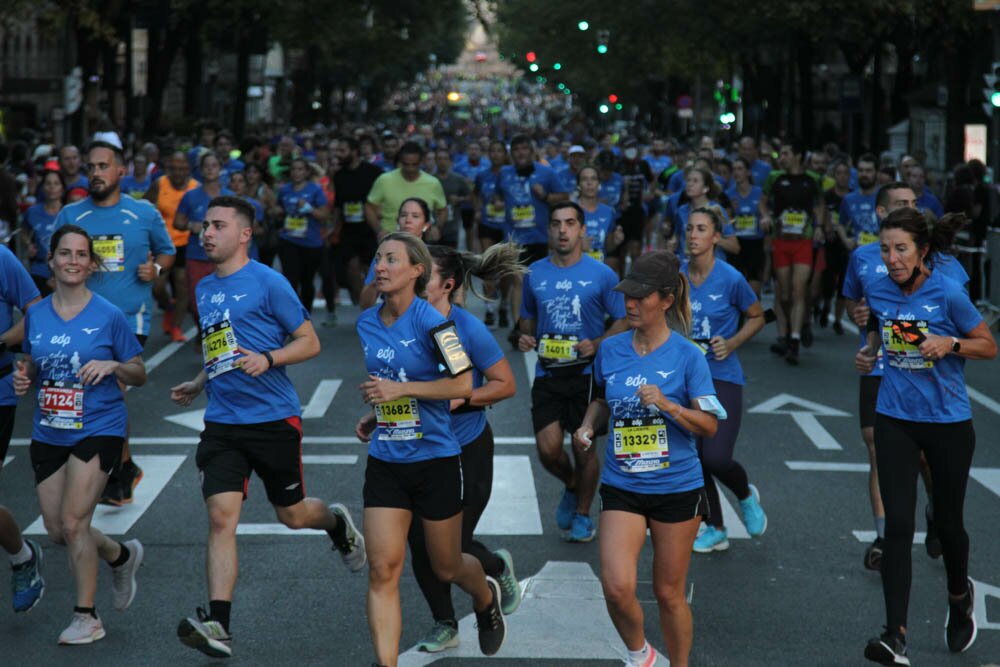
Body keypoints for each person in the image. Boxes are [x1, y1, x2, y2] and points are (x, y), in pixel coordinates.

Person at [170, 196, 365, 658]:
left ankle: (336, 523)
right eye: (205, 226)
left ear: (244, 234)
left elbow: (309, 341)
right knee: (221, 519)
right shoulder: (204, 288)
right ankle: (219, 623)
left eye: (218, 225)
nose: (207, 233)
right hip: (222, 423)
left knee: (293, 515)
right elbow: (219, 347)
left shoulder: (268, 282)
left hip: (273, 420)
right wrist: (199, 381)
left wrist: (270, 358)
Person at [354, 231, 506, 667]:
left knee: (447, 566)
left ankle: (483, 597)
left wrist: (401, 389)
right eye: (378, 258)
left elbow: (461, 384)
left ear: (417, 271)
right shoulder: (367, 322)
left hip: (437, 460)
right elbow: (389, 380)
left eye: (391, 260)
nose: (379, 267)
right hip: (387, 460)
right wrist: (381, 412)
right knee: (383, 569)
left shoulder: (435, 324)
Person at [856, 207, 996, 665]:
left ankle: (959, 598)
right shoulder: (878, 289)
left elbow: (988, 345)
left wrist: (950, 344)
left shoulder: (948, 293)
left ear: (923, 252)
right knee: (898, 527)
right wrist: (871, 349)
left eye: (901, 249)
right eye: (885, 249)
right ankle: (895, 635)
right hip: (895, 417)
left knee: (950, 525)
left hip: (947, 424)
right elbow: (879, 324)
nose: (892, 259)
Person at [574, 250, 721, 667]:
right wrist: (587, 427)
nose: (631, 305)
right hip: (623, 484)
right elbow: (602, 400)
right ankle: (642, 657)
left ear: (667, 300)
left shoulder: (688, 355)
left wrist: (669, 406)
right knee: (617, 586)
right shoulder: (611, 349)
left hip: (677, 487)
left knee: (668, 594)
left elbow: (709, 424)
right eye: (627, 296)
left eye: (641, 297)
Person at [13, 225, 146, 644]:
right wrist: (24, 376)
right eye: (64, 253)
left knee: (74, 522)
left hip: (99, 426)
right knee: (57, 531)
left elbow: (140, 373)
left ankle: (87, 616)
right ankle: (120, 555)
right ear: (51, 260)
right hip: (49, 430)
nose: (73, 261)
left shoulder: (108, 314)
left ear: (92, 263)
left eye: (81, 254)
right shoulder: (34, 314)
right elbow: (35, 363)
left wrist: (113, 367)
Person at [408, 243, 526, 653]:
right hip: (417, 447)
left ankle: (494, 566)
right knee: (418, 542)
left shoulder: (465, 329)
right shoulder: (402, 325)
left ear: (447, 285)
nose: (416, 280)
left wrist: (460, 398)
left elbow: (505, 384)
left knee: (452, 544)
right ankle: (444, 623)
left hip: (466, 446)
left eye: (424, 276)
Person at [844, 187, 967, 573]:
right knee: (876, 448)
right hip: (886, 373)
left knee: (927, 462)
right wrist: (868, 347)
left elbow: (958, 319)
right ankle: (885, 536)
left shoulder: (944, 270)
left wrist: (947, 342)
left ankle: (935, 511)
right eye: (901, 205)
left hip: (934, 385)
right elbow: (861, 308)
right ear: (882, 213)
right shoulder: (864, 258)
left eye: (914, 205)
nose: (910, 209)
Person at [55, 141, 176, 507]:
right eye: (90, 167)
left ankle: (117, 471)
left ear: (121, 171)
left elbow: (168, 252)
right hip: (80, 316)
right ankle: (119, 464)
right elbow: (54, 263)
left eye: (103, 166)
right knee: (92, 393)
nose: (95, 173)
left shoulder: (143, 213)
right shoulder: (71, 215)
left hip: (128, 317)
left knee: (108, 387)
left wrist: (154, 270)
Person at [517, 202, 627, 542]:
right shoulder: (535, 273)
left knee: (584, 448)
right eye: (555, 224)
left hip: (587, 378)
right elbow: (527, 316)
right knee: (548, 450)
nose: (562, 230)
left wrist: (597, 343)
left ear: (582, 231)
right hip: (549, 375)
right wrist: (524, 336)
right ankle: (572, 483)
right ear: (548, 231)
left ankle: (582, 514)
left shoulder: (602, 274)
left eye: (569, 223)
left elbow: (623, 320)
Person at [680, 207, 767, 553]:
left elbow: (759, 316)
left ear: (716, 237)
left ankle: (745, 495)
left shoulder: (731, 278)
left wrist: (731, 342)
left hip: (723, 377)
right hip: (686, 380)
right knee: (692, 457)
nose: (692, 235)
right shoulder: (677, 275)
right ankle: (714, 526)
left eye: (701, 229)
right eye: (689, 229)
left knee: (715, 457)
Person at [0, 239, 43, 614]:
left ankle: (22, 557)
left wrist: (1, 341)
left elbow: (37, 312)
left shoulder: (1, 257)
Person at [496, 134, 569, 340]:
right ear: (512, 154)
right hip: (513, 237)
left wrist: (545, 196)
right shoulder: (504, 173)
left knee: (537, 282)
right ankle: (519, 328)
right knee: (518, 280)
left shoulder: (546, 173)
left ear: (531, 152)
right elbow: (496, 196)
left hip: (539, 237)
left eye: (524, 149)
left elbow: (563, 197)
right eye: (516, 150)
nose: (520, 153)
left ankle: (538, 321)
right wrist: (498, 202)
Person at [760, 139, 824, 365]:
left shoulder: (813, 180)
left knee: (799, 290)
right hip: (781, 240)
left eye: (785, 153)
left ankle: (794, 339)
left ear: (797, 155)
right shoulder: (775, 178)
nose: (782, 157)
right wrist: (766, 216)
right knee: (784, 293)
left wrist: (818, 227)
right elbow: (763, 202)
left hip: (803, 241)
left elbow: (819, 206)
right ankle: (786, 333)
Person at [175, 151, 232, 337]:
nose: (209, 169)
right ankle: (203, 332)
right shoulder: (191, 196)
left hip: (223, 257)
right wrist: (192, 225)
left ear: (220, 169)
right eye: (206, 166)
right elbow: (178, 222)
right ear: (200, 170)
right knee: (197, 301)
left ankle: (220, 337)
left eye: (213, 165)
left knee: (223, 300)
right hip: (197, 256)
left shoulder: (229, 197)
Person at [147, 151, 198, 342]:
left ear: (188, 169)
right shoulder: (160, 184)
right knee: (157, 286)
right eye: (175, 169)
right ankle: (168, 306)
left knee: (182, 285)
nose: (178, 173)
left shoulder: (195, 188)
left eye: (182, 169)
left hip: (187, 244)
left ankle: (176, 326)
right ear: (169, 169)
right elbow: (144, 205)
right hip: (162, 244)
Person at [274, 157, 330, 313]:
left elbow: (325, 215)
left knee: (307, 281)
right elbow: (277, 210)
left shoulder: (315, 190)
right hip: (289, 240)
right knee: (290, 280)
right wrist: (277, 212)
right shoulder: (285, 190)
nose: (296, 172)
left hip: (311, 242)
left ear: (306, 172)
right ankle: (291, 316)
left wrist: (309, 209)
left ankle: (306, 314)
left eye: (300, 169)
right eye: (293, 169)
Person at [359, 198, 435, 309]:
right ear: (397, 220)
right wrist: (378, 280)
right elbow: (365, 305)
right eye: (404, 215)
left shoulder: (436, 257)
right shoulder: (383, 255)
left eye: (415, 216)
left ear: (426, 225)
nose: (408, 220)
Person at [332, 137, 382, 305]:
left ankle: (372, 302)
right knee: (351, 267)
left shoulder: (373, 172)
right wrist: (333, 229)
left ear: (354, 152)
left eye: (342, 150)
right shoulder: (338, 176)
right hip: (348, 229)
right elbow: (338, 206)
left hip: (369, 228)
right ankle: (364, 302)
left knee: (371, 270)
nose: (338, 154)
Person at [366, 141, 448, 239]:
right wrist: (379, 230)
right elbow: (369, 207)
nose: (410, 169)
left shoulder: (433, 183)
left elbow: (443, 210)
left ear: (421, 162)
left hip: (422, 240)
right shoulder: (384, 180)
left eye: (414, 164)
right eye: (406, 164)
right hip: (391, 238)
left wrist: (437, 227)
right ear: (400, 161)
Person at [472, 140, 512, 327]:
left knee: (504, 270)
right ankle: (489, 309)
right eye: (492, 151)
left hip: (507, 226)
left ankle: (503, 305)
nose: (496, 154)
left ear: (505, 154)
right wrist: (478, 210)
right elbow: (476, 195)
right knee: (488, 266)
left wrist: (505, 205)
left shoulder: (511, 175)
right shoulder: (482, 175)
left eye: (499, 151)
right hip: (487, 225)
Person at [725, 158, 766, 296]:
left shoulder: (758, 192)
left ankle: (757, 317)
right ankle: (740, 318)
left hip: (755, 245)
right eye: (734, 169)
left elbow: (765, 215)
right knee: (737, 291)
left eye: (740, 169)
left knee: (754, 292)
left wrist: (766, 220)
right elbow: (726, 223)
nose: (736, 172)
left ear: (748, 172)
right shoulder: (728, 194)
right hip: (737, 245)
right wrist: (731, 212)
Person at [22, 167, 65, 296]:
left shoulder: (69, 212)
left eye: (56, 183)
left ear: (62, 188)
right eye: (48, 183)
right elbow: (23, 231)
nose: (52, 187)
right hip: (39, 271)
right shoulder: (32, 212)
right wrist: (28, 244)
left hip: (64, 272)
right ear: (43, 187)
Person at [577, 165, 624, 273]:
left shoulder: (608, 212)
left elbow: (608, 247)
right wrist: (578, 246)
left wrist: (615, 241)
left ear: (599, 184)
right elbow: (554, 245)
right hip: (574, 271)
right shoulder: (570, 210)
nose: (589, 183)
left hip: (598, 271)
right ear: (578, 185)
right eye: (584, 179)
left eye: (593, 179)